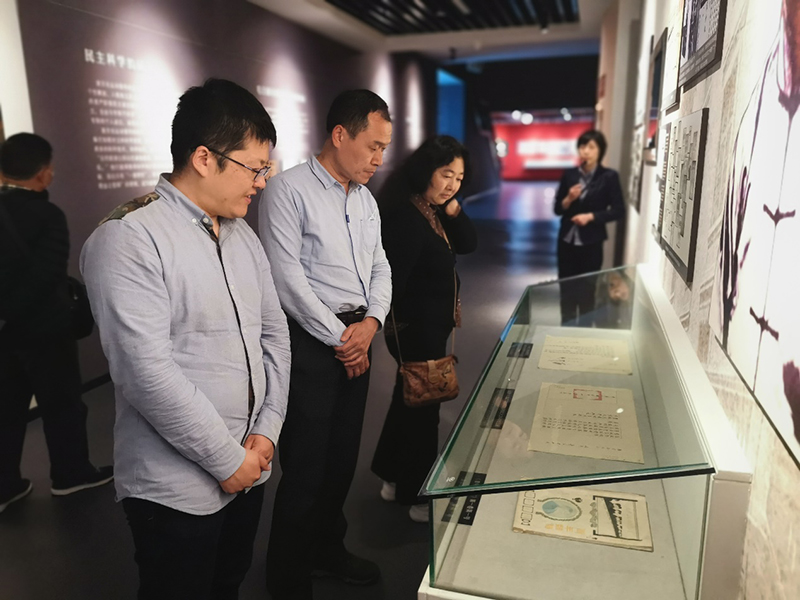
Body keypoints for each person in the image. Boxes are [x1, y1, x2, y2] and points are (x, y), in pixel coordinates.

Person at [80, 78, 291, 600]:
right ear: (203, 157)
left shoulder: (241, 234)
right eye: (254, 168)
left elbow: (274, 336)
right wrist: (227, 460)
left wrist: (267, 431)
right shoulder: (129, 237)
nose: (262, 182)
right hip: (175, 488)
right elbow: (145, 374)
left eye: (266, 169)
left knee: (228, 583)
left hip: (251, 463)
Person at [260, 89, 392, 599]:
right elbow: (287, 279)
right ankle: (287, 576)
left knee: (341, 461)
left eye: (384, 149)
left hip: (359, 338)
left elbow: (380, 267)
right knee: (306, 467)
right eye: (373, 146)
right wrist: (343, 339)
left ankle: (326, 550)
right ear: (340, 134)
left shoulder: (365, 200)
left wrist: (372, 323)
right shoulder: (288, 190)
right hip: (313, 344)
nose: (379, 158)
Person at [0, 133, 112, 515]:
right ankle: (70, 474)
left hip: (5, 334)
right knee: (62, 405)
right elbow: (45, 276)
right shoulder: (47, 215)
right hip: (45, 331)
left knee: (7, 411)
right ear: (43, 173)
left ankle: (5, 486)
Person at [370, 135, 477, 523]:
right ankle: (417, 498)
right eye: (446, 174)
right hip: (415, 330)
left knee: (409, 400)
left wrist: (453, 208)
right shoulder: (406, 217)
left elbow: (468, 243)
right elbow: (393, 280)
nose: (452, 184)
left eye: (459, 178)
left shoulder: (431, 209)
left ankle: (392, 476)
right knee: (424, 412)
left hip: (427, 328)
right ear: (425, 170)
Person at [553, 129, 625, 326]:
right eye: (582, 146)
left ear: (600, 150)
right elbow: (557, 209)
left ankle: (584, 332)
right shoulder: (569, 175)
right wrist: (569, 198)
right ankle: (565, 331)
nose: (585, 151)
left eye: (591, 147)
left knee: (587, 292)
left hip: (592, 242)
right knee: (566, 290)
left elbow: (618, 210)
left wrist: (591, 217)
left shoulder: (609, 177)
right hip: (566, 241)